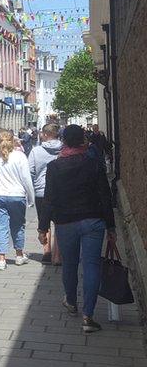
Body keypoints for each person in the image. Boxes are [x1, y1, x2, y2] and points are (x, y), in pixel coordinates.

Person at [46, 124, 117, 333]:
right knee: (91, 266)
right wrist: (111, 226)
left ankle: (70, 302)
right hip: (93, 221)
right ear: (83, 140)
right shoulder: (94, 163)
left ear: (64, 142)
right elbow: (105, 196)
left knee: (69, 264)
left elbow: (49, 199)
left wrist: (42, 227)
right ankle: (88, 316)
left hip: (65, 223)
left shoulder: (55, 167)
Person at [0, 130, 35, 270]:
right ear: (13, 141)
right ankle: (19, 255)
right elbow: (26, 179)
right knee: (18, 225)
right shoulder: (20, 156)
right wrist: (31, 197)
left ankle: (1, 259)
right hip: (17, 195)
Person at [29, 123, 62, 265]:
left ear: (45, 134)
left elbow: (30, 171)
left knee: (44, 222)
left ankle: (47, 252)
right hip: (60, 192)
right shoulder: (64, 149)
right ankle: (57, 256)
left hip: (41, 192)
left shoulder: (36, 151)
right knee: (59, 223)